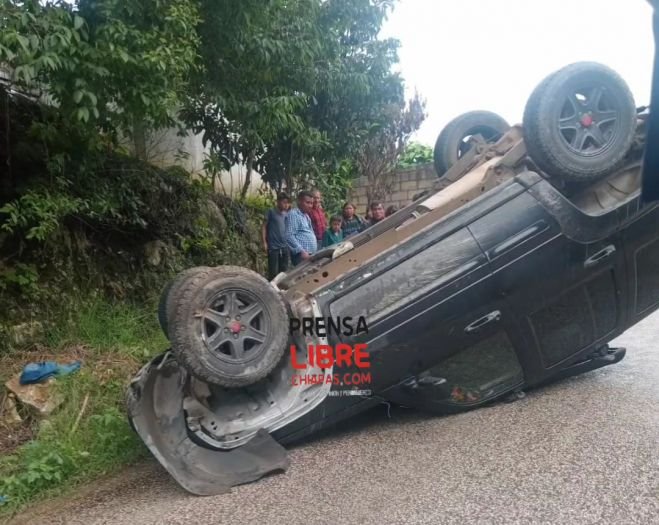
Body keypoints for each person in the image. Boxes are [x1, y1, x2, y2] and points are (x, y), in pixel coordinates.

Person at [262, 192, 290, 280]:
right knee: (273, 271)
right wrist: (264, 242)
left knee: (283, 271)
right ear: (278, 202)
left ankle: (281, 289)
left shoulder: (286, 214)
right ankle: (271, 289)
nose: (286, 205)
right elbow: (264, 227)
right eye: (284, 202)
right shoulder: (271, 212)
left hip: (284, 246)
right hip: (273, 247)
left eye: (287, 203)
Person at [285, 190, 318, 266]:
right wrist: (301, 251)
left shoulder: (306, 216)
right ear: (299, 202)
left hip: (309, 254)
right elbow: (289, 235)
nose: (310, 205)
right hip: (301, 256)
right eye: (307, 202)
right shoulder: (294, 214)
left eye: (311, 203)